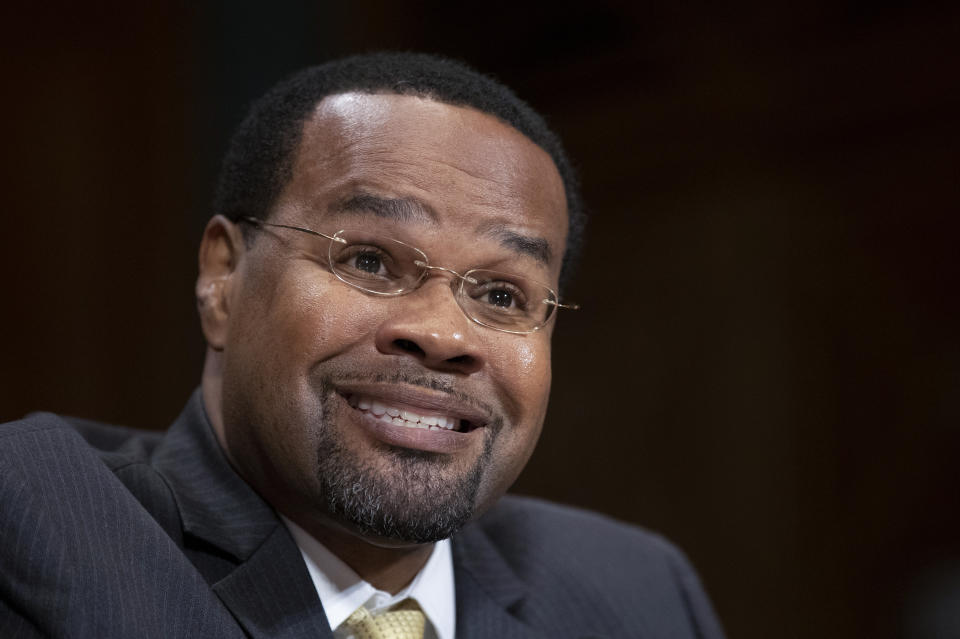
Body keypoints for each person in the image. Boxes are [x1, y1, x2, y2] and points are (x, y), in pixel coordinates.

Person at [0, 53, 724, 638]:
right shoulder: (36, 524)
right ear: (223, 278)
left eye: (502, 294)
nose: (444, 334)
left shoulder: (637, 591)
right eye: (369, 260)